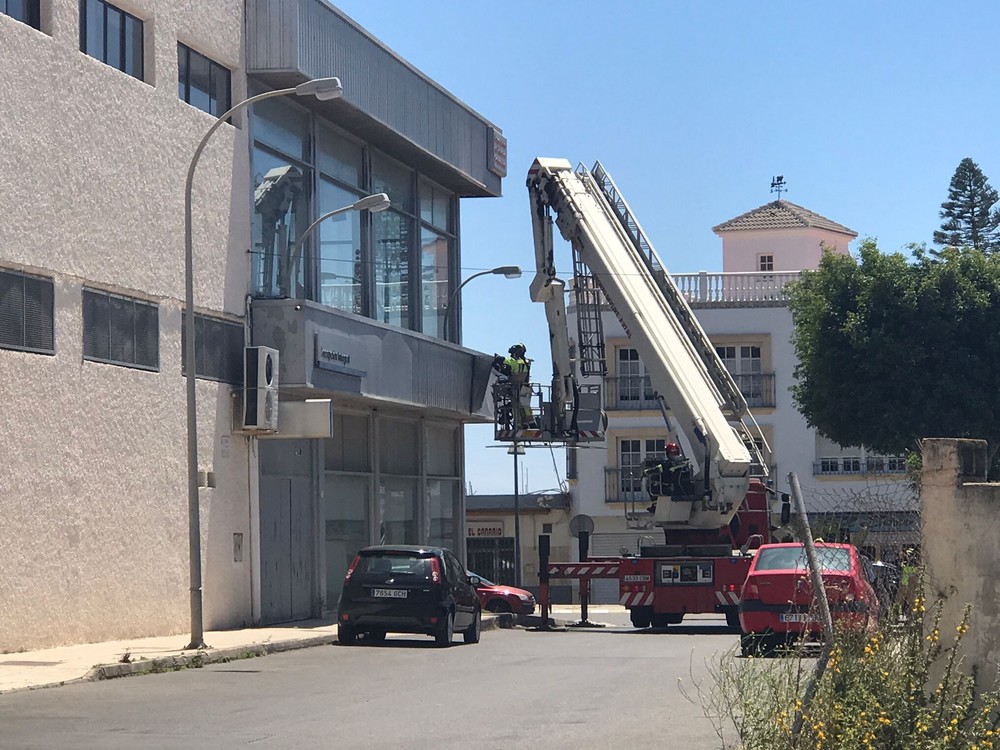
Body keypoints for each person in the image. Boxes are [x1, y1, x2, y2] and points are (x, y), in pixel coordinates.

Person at [492, 343, 536, 428]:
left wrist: (496, 358)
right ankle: (529, 423)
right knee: (525, 406)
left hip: (517, 388)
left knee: (515, 407)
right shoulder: (526, 362)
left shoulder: (514, 362)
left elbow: (502, 360)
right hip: (526, 387)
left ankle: (519, 424)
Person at [642, 442, 691, 513]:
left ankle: (655, 506)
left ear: (668, 453)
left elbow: (659, 468)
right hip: (682, 489)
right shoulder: (684, 462)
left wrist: (647, 472)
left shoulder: (669, 463)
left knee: (652, 487)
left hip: (669, 489)